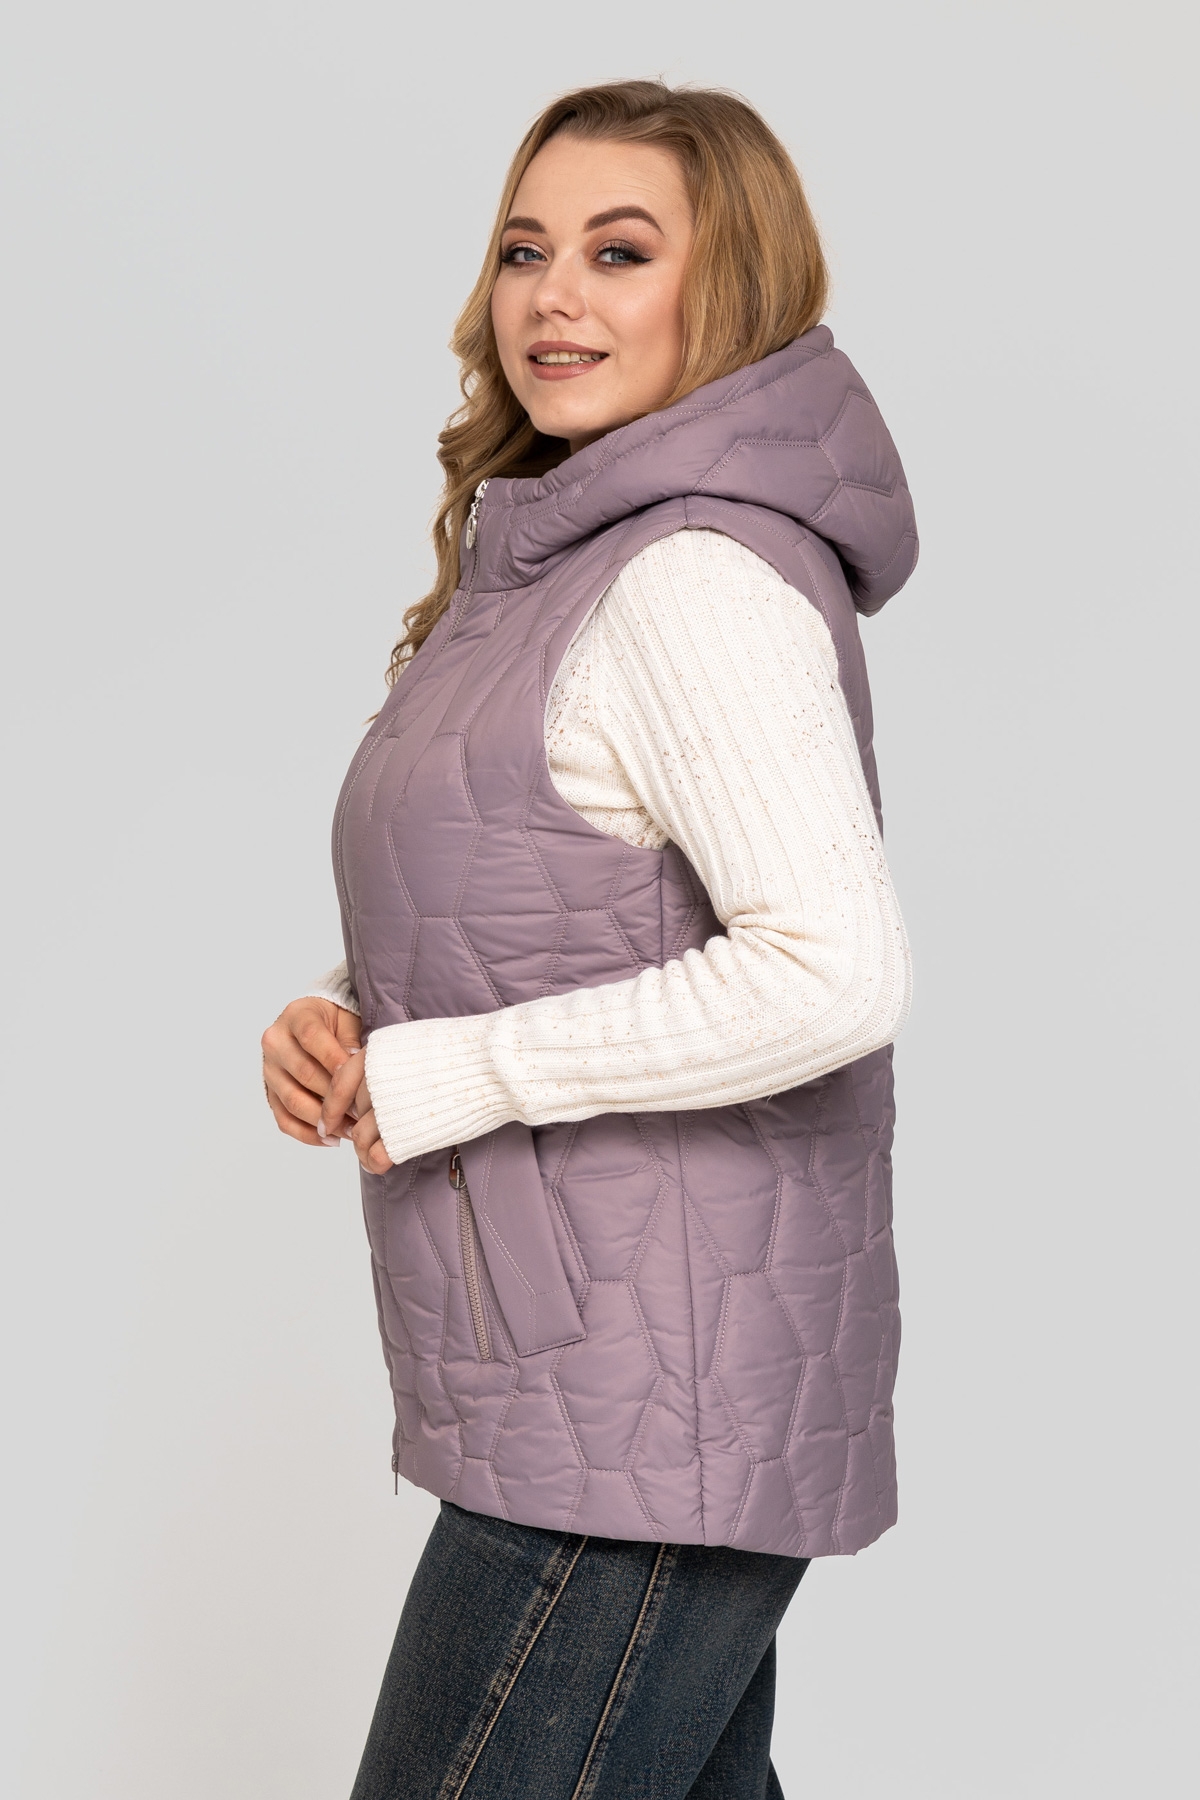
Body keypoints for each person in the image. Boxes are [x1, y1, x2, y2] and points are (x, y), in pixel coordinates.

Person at [262, 78, 917, 1800]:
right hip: (590, 1376)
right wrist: (351, 1023)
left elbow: (832, 967)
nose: (554, 297)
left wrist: (454, 1071)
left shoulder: (692, 579)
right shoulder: (552, 568)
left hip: (644, 1399)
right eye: (523, 249)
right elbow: (546, 891)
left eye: (620, 252)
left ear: (733, 285)